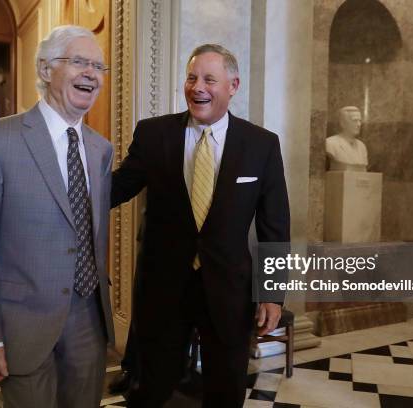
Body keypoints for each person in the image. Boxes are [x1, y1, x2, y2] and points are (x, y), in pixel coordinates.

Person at [112, 43, 290, 408]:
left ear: (233, 86)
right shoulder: (153, 134)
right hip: (163, 290)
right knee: (151, 390)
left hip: (228, 293)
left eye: (210, 79)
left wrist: (272, 293)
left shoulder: (262, 145)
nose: (198, 87)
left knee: (225, 390)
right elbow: (115, 189)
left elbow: (275, 226)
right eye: (192, 78)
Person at [0, 25, 114, 408]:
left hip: (88, 322)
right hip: (21, 324)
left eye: (98, 66)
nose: (91, 73)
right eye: (79, 62)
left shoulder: (100, 149)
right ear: (45, 70)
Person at [325, 106, 368, 171]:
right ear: (343, 123)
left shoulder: (362, 146)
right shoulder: (330, 143)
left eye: (360, 121)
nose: (359, 124)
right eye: (355, 120)